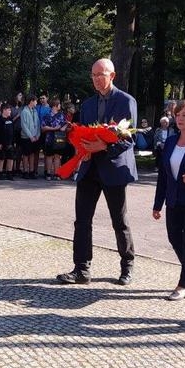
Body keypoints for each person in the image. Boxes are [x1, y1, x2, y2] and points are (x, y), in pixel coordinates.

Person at [57, 58, 138, 286]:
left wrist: (104, 146)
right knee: (82, 220)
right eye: (93, 75)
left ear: (112, 76)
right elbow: (83, 132)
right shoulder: (89, 104)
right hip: (89, 167)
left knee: (119, 220)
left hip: (113, 168)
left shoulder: (125, 101)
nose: (96, 79)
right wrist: (81, 146)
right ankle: (81, 269)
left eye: (100, 74)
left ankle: (127, 266)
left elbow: (128, 139)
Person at [152, 99, 185, 301]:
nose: (179, 118)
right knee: (174, 237)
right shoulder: (171, 141)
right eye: (178, 114)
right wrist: (158, 204)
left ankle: (184, 284)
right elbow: (164, 175)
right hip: (174, 200)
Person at [41, 98, 68, 180]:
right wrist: (54, 128)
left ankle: (57, 173)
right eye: (59, 104)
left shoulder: (61, 115)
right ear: (55, 106)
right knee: (49, 156)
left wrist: (63, 127)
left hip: (59, 139)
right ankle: (48, 173)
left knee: (57, 156)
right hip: (49, 139)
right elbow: (43, 127)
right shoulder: (47, 115)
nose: (60, 106)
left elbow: (66, 123)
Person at [0, 103, 15, 180]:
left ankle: (9, 174)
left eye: (10, 110)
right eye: (9, 110)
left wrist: (12, 142)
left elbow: (12, 131)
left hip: (10, 143)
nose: (10, 111)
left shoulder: (10, 119)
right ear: (4, 110)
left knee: (10, 158)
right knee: (1, 158)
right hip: (1, 143)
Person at [19, 95, 41, 179]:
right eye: (35, 101)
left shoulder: (34, 111)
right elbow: (24, 126)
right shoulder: (24, 111)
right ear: (31, 101)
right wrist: (30, 136)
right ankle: (25, 171)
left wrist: (37, 135)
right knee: (25, 155)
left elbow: (38, 124)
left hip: (35, 137)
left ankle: (31, 171)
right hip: (26, 137)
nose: (36, 102)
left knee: (32, 154)